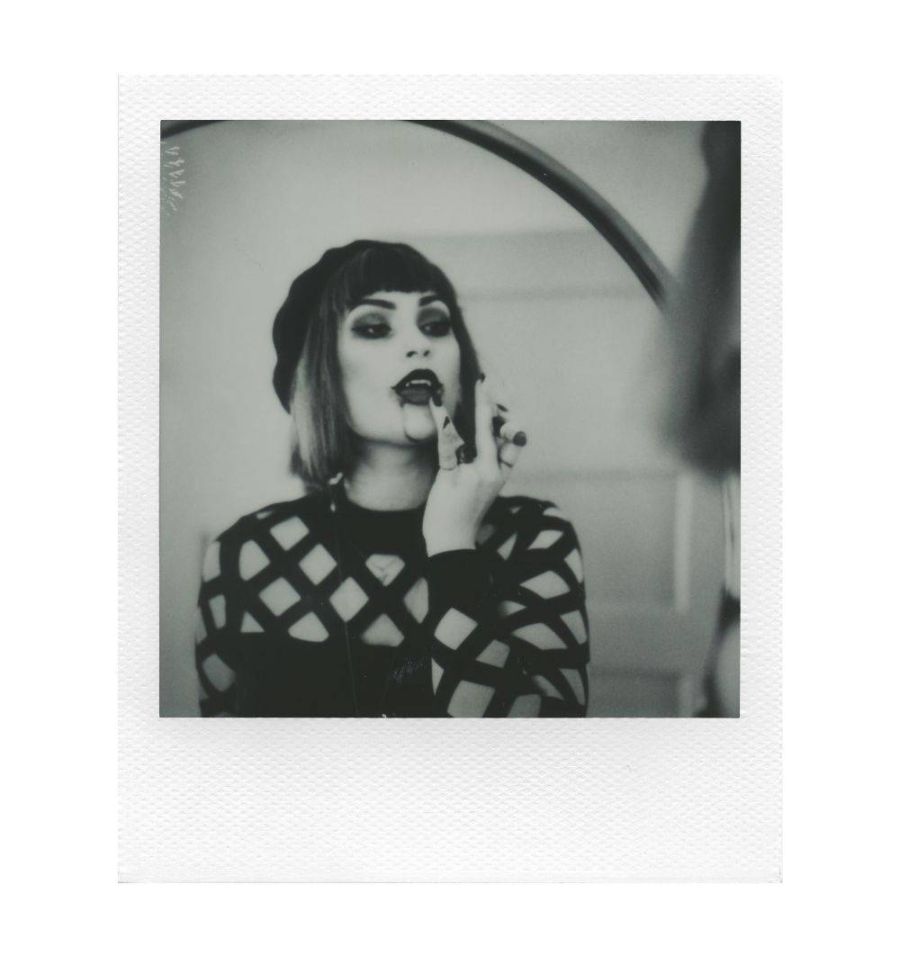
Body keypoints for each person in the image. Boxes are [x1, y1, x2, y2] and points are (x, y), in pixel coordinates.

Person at [194, 240, 590, 717]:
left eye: (436, 324)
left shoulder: (533, 537)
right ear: (318, 371)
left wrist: (453, 546)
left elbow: (541, 754)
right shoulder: (243, 553)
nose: (420, 344)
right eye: (374, 327)